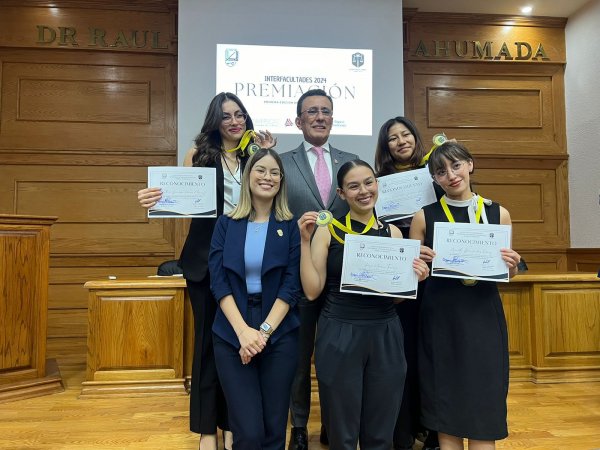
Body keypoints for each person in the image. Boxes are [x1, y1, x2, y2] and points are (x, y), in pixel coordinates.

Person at [137, 92, 275, 450]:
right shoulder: (198, 156)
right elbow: (176, 200)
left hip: (246, 261)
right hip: (203, 262)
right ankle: (207, 430)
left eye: (240, 114)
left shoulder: (254, 155)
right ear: (215, 121)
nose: (234, 121)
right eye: (227, 115)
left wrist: (268, 153)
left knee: (238, 345)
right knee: (206, 348)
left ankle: (233, 424)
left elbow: (272, 196)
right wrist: (153, 200)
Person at [298, 159, 430, 450]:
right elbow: (311, 291)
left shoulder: (394, 234)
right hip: (339, 332)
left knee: (381, 431)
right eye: (353, 186)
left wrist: (415, 280)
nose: (363, 191)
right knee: (342, 434)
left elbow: (395, 296)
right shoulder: (328, 230)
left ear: (377, 184)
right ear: (342, 194)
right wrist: (305, 242)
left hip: (386, 332)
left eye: (368, 182)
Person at [409, 142, 522, 450]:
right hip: (440, 319)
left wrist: (511, 265)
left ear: (470, 164)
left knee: (484, 397)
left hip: (483, 316)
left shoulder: (498, 213)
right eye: (441, 171)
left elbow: (507, 274)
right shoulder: (424, 216)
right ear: (434, 179)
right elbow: (413, 278)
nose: (451, 175)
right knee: (446, 400)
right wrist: (416, 267)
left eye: (456, 166)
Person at [279, 89, 358, 450]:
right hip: (299, 272)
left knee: (336, 357)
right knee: (299, 355)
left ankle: (332, 423)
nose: (320, 116)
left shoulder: (351, 161)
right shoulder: (281, 163)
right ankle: (298, 425)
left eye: (326, 111)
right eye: (312, 111)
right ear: (299, 121)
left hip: (344, 274)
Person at [208, 148, 300, 450]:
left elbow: (290, 286)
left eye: (274, 172)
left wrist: (261, 334)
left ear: (281, 181)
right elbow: (218, 282)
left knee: (274, 430)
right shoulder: (226, 223)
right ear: (248, 177)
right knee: (247, 431)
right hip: (232, 329)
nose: (267, 177)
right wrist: (243, 333)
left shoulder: (289, 226)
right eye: (260, 170)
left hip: (278, 330)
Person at [374, 116, 441, 450]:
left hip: (433, 275)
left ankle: (431, 427)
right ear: (385, 147)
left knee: (430, 352)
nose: (400, 141)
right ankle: (403, 426)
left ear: (416, 137)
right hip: (397, 274)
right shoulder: (378, 182)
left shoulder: (436, 174)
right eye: (392, 138)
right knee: (403, 353)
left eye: (405, 135)